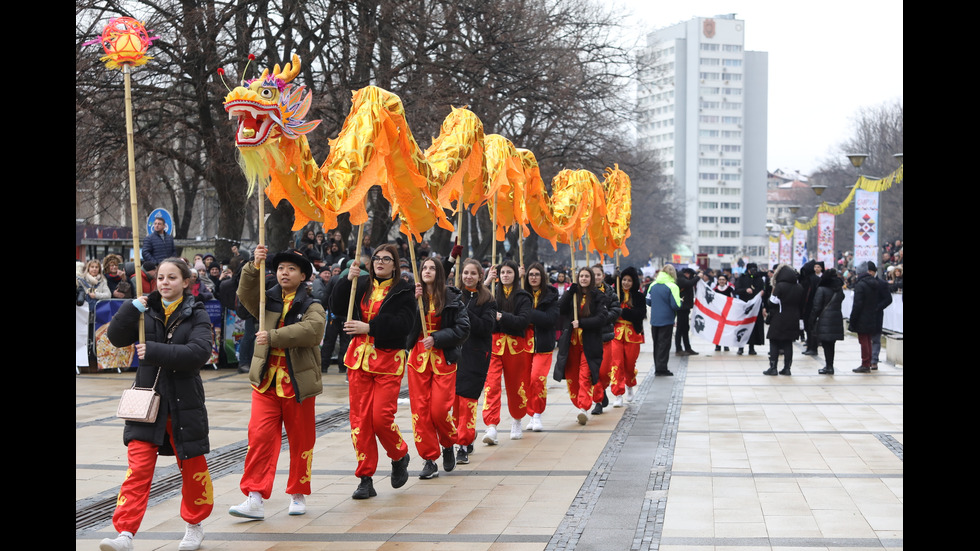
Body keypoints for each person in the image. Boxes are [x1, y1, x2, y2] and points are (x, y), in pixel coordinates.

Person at [102, 258, 214, 551]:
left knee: (192, 468)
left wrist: (152, 350)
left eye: (172, 277)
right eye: (161, 277)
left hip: (184, 403)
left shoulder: (197, 313)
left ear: (186, 282)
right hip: (146, 403)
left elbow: (199, 352)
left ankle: (194, 525)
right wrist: (130, 309)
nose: (165, 283)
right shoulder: (144, 310)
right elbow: (114, 337)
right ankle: (125, 532)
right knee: (137, 469)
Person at [229, 246, 325, 520]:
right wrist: (252, 266)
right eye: (281, 267)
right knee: (259, 438)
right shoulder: (265, 300)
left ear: (303, 275)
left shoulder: (312, 304)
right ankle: (255, 496)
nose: (285, 272)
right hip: (265, 383)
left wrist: (273, 336)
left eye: (292, 269)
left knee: (301, 440)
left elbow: (313, 330)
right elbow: (244, 293)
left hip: (298, 385)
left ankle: (298, 492)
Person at [331, 244, 414, 500]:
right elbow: (336, 305)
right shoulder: (362, 284)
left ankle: (399, 454)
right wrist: (347, 281)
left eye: (386, 259)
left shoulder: (404, 290)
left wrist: (371, 328)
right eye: (376, 258)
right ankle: (365, 478)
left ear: (394, 264)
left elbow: (405, 325)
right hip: (358, 360)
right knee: (360, 421)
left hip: (387, 362)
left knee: (380, 418)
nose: (380, 262)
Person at [406, 258, 470, 479]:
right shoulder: (413, 296)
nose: (427, 271)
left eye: (432, 268)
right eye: (424, 268)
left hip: (443, 359)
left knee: (439, 410)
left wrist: (437, 338)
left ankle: (448, 443)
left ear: (439, 272)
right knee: (421, 412)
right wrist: (413, 306)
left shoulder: (453, 298)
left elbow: (463, 328)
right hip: (418, 360)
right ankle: (429, 458)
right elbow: (403, 327)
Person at [481, 260, 533, 443]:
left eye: (509, 272)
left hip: (516, 347)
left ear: (515, 275)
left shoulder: (523, 297)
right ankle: (491, 426)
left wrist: (502, 317)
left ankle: (517, 419)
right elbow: (474, 302)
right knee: (492, 384)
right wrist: (486, 282)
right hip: (494, 345)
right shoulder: (491, 294)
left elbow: (523, 321)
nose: (505, 275)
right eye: (502, 272)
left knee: (515, 386)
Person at [453, 259, 497, 465]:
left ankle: (462, 444)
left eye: (473, 273)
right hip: (453, 356)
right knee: (453, 402)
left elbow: (484, 327)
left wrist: (463, 310)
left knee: (467, 402)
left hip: (476, 356)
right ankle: (462, 437)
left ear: (480, 276)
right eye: (465, 273)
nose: (468, 276)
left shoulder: (487, 299)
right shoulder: (453, 294)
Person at [554, 267, 608, 425]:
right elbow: (561, 309)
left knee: (585, 375)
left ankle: (584, 408)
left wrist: (582, 323)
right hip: (571, 344)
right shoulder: (573, 294)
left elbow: (601, 318)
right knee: (572, 378)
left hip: (589, 344)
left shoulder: (598, 296)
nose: (584, 279)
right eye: (581, 276)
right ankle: (579, 404)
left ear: (591, 278)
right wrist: (570, 292)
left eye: (586, 276)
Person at [523, 262, 559, 431]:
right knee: (526, 381)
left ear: (542, 277)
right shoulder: (521, 295)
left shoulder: (551, 295)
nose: (534, 278)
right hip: (523, 345)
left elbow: (550, 319)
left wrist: (528, 313)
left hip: (543, 344)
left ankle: (537, 414)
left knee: (537, 378)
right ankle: (530, 413)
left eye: (537, 275)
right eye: (531, 275)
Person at [611, 266, 646, 405]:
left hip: (633, 334)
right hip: (616, 334)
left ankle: (630, 384)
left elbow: (640, 314)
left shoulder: (638, 296)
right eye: (624, 279)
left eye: (629, 280)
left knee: (630, 364)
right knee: (616, 364)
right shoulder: (615, 293)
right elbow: (603, 286)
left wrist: (623, 312)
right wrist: (614, 277)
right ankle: (618, 394)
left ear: (634, 282)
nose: (626, 283)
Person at [848, 262, 892, 372]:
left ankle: (867, 362)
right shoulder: (874, 283)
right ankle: (869, 361)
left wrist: (853, 319)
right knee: (868, 340)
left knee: (867, 340)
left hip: (865, 316)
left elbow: (857, 304)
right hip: (871, 315)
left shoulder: (862, 284)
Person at [590, 264, 621, 415]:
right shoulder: (584, 292)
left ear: (603, 276)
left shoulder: (610, 291)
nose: (596, 277)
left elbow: (616, 309)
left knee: (604, 371)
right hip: (590, 338)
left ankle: (602, 390)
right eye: (593, 274)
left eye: (598, 274)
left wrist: (603, 318)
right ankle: (598, 401)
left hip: (606, 336)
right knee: (593, 372)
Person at [763, 264, 803, 376]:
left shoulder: (780, 286)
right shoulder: (799, 287)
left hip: (779, 318)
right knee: (788, 343)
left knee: (774, 340)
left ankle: (773, 367)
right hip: (794, 317)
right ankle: (787, 368)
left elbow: (773, 302)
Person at [808, 269, 845, 374]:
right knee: (831, 344)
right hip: (836, 318)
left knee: (826, 343)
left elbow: (816, 307)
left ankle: (829, 366)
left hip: (824, 319)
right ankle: (830, 365)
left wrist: (812, 320)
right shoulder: (839, 290)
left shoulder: (821, 289)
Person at [646, 265, 681, 376]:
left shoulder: (653, 285)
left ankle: (657, 366)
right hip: (667, 320)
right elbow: (675, 305)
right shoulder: (673, 286)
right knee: (664, 344)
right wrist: (681, 302)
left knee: (656, 344)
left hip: (654, 319)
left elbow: (648, 301)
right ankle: (662, 368)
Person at [734, 263, 766, 355]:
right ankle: (740, 347)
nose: (753, 271)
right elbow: (736, 290)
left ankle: (751, 347)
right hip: (744, 307)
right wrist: (745, 290)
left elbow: (763, 291)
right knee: (742, 326)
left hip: (755, 307)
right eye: (752, 269)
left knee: (753, 327)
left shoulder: (759, 279)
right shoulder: (742, 278)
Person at [674, 268, 699, 356]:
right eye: (690, 275)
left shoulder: (684, 279)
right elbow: (689, 283)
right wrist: (698, 277)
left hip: (685, 307)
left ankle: (687, 348)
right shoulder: (680, 278)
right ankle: (678, 348)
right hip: (681, 308)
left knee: (685, 329)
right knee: (680, 328)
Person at [712, 274, 735, 352]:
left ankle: (726, 345)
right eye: (720, 279)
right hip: (718, 312)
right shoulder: (714, 290)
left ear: (726, 281)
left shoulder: (730, 289)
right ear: (718, 281)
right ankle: (717, 345)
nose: (721, 281)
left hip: (727, 312)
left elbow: (733, 300)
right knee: (717, 329)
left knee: (726, 329)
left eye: (723, 279)